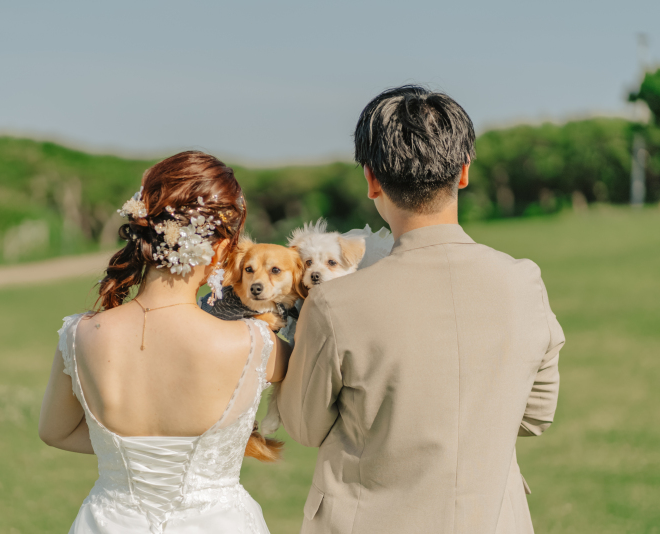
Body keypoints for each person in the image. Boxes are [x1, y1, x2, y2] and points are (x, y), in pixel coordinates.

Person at [278, 86, 564, 534]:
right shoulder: (525, 282)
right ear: (464, 172)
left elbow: (303, 425)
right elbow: (536, 415)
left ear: (372, 179)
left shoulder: (334, 303)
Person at [39, 151, 291, 534]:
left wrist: (125, 458)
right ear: (222, 250)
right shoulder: (254, 343)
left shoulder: (79, 335)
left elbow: (54, 432)